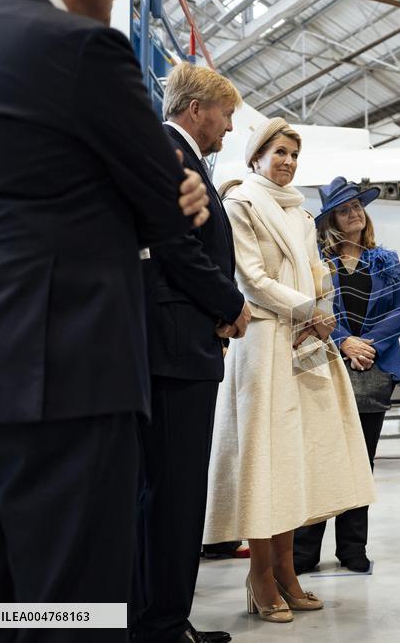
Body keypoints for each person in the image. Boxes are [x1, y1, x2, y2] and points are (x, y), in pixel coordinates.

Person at [0, 0, 210, 642]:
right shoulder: (79, 48)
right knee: (68, 611)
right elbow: (167, 202)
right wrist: (169, 194)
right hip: (63, 374)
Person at [203, 119, 375, 622]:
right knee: (265, 461)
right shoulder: (241, 204)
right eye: (280, 152)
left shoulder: (298, 213)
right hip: (264, 342)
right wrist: (309, 309)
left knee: (294, 459)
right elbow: (251, 279)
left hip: (304, 341)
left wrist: (319, 310)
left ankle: (285, 570)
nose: (288, 162)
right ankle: (259, 576)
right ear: (257, 156)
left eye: (295, 155)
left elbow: (314, 273)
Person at [131, 62, 250, 643]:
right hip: (176, 348)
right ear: (197, 108)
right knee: (175, 493)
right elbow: (178, 249)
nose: (229, 128)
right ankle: (164, 623)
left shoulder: (174, 156)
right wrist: (231, 303)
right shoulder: (172, 157)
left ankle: (151, 616)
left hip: (169, 344)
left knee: (158, 491)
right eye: (226, 115)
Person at [292, 176, 400, 574]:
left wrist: (369, 345)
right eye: (345, 210)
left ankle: (353, 549)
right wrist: (344, 342)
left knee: (362, 460)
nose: (355, 214)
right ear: (330, 220)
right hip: (327, 364)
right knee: (323, 456)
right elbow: (313, 308)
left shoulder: (387, 259)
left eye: (358, 207)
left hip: (373, 367)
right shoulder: (317, 264)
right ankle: (305, 551)